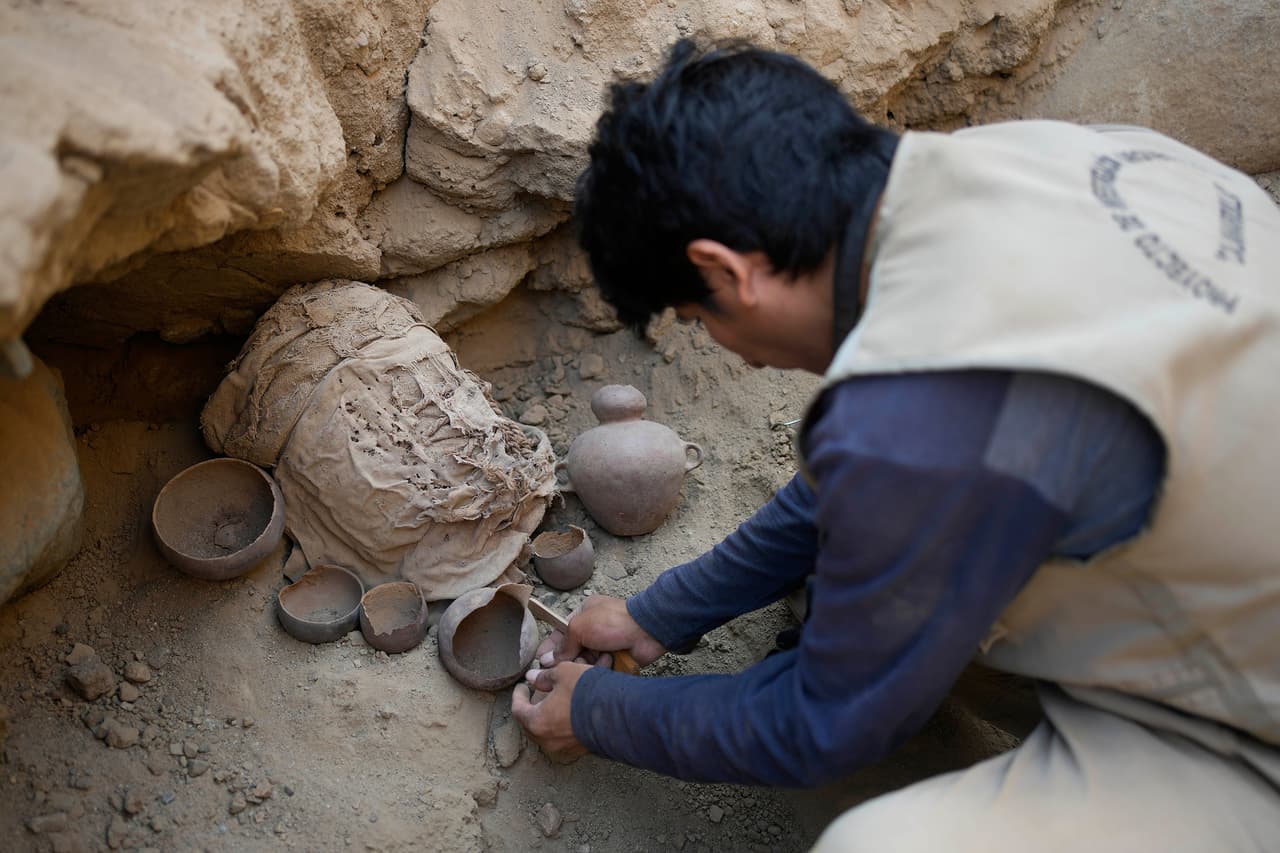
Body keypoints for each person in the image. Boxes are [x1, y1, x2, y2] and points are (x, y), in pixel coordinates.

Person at [510, 38, 1280, 851]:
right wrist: (658, 611)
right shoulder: (1009, 161)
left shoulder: (929, 408)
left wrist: (599, 711)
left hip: (1243, 719)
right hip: (1214, 569)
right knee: (833, 587)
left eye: (702, 321)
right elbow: (863, 481)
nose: (733, 350)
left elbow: (820, 722)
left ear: (729, 271)